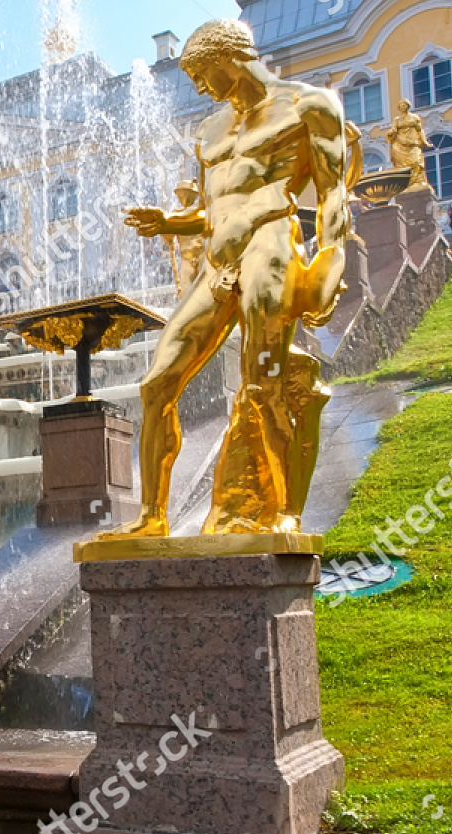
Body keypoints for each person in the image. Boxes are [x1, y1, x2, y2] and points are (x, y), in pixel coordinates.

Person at [97, 18, 350, 541]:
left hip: (272, 249)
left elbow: (332, 194)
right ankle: (152, 517)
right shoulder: (210, 131)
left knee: (264, 387)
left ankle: (286, 515)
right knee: (156, 384)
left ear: (230, 57)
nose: (199, 87)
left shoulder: (310, 105)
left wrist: (331, 261)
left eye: (202, 74)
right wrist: (170, 222)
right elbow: (217, 210)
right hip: (218, 263)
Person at [388, 99, 431, 192]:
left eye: (404, 105)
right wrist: (390, 133)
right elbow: (393, 130)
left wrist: (424, 141)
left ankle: (418, 182)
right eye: (401, 105)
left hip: (413, 143)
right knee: (403, 167)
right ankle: (405, 184)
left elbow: (420, 130)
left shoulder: (415, 118)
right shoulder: (397, 120)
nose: (403, 107)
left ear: (408, 106)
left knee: (416, 162)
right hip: (400, 145)